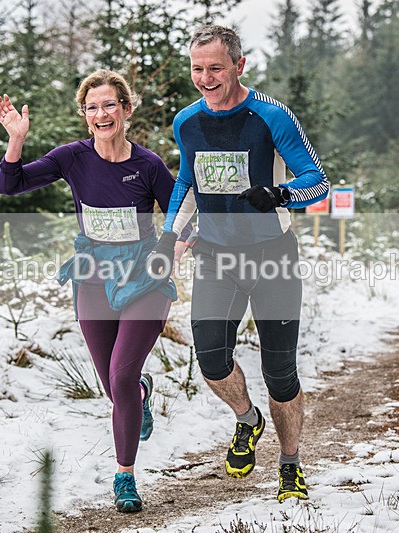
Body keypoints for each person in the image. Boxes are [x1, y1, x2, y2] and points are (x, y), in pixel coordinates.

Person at [0, 70, 190, 513]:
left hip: (145, 280)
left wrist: (173, 247)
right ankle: (140, 395)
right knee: (115, 386)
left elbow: (180, 214)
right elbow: (11, 185)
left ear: (125, 109)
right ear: (85, 116)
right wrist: (16, 139)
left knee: (120, 375)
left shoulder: (149, 165)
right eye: (93, 107)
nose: (102, 114)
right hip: (93, 277)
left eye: (110, 105)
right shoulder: (72, 158)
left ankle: (125, 477)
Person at [148, 24, 330, 502]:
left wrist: (280, 193)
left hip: (273, 256)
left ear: (238, 66)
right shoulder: (186, 121)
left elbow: (318, 181)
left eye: (215, 68)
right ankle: (248, 420)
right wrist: (169, 235)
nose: (206, 78)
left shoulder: (272, 116)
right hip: (215, 256)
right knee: (210, 359)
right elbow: (186, 181)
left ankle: (289, 464)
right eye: (197, 69)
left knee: (281, 372)